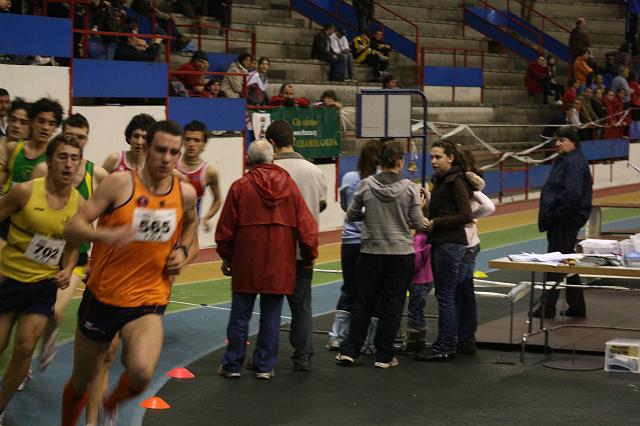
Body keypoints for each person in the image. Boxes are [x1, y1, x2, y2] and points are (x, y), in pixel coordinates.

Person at [60, 120, 198, 425]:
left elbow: (191, 229)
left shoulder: (184, 192)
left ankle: (110, 404)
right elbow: (73, 226)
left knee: (141, 372)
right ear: (146, 148)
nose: (167, 158)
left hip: (149, 298)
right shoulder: (119, 184)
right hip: (104, 297)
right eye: (160, 150)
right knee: (82, 380)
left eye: (174, 152)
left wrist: (184, 252)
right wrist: (105, 236)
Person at [215, 140, 318, 379]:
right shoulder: (290, 188)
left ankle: (232, 365)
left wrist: (226, 256)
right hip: (279, 261)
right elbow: (306, 226)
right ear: (272, 159)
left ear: (249, 160)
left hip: (245, 260)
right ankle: (265, 366)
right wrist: (309, 254)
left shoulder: (240, 187)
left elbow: (225, 229)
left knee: (240, 315)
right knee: (271, 315)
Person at [0, 134, 83, 425]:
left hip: (42, 284)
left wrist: (68, 268)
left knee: (24, 347)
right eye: (63, 156)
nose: (68, 163)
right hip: (8, 277)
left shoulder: (79, 205)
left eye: (74, 158)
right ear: (49, 161)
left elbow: (72, 249)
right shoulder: (24, 192)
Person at [335, 140, 427, 369]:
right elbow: (418, 223)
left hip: (371, 251)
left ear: (381, 161)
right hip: (399, 253)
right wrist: (423, 206)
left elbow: (352, 214)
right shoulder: (409, 188)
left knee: (363, 302)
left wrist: (372, 214)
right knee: (392, 304)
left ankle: (350, 350)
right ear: (399, 161)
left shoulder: (366, 184)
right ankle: (384, 355)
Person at [265, 120, 327, 371]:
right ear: (294, 140)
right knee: (302, 304)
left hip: (275, 249)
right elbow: (320, 205)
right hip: (305, 249)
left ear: (272, 144)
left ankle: (265, 355)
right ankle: (303, 355)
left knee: (271, 304)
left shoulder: (267, 171)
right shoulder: (315, 171)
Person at [414, 139, 473, 362]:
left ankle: (445, 344)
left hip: (450, 244)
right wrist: (425, 208)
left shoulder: (455, 182)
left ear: (451, 157)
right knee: (444, 295)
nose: (433, 161)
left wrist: (436, 223)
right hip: (443, 242)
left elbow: (466, 216)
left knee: (445, 296)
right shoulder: (442, 181)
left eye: (438, 157)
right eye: (431, 157)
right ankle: (446, 342)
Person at [327, 139, 382, 350]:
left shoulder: (350, 177)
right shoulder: (381, 180)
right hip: (372, 242)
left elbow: (344, 204)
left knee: (349, 288)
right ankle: (368, 340)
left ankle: (336, 336)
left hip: (350, 240)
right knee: (371, 291)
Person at [535, 127, 592, 319]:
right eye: (556, 140)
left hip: (565, 220)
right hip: (564, 218)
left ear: (573, 141)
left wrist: (557, 215)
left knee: (555, 261)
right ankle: (576, 306)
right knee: (567, 261)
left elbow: (572, 194)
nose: (558, 143)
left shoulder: (574, 162)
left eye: (562, 140)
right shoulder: (568, 159)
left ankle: (547, 307)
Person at [456, 151, 495, 355]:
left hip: (466, 244)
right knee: (462, 291)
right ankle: (463, 336)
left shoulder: (467, 184)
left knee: (461, 292)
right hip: (467, 243)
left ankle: (464, 336)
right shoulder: (466, 182)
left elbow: (489, 206)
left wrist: (468, 216)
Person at [0, 98, 63, 195]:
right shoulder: (12, 147)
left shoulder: (54, 157)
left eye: (51, 124)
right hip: (8, 206)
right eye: (41, 121)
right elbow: (4, 173)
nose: (45, 127)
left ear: (55, 128)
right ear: (31, 122)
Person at [176, 120, 221, 231]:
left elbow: (217, 200)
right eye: (188, 139)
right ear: (182, 141)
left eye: (197, 140)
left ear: (204, 144)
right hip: (170, 225)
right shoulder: (172, 165)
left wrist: (206, 218)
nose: (191, 144)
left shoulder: (209, 172)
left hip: (191, 229)